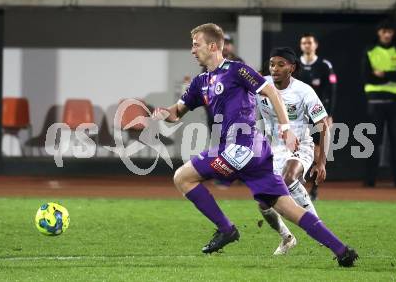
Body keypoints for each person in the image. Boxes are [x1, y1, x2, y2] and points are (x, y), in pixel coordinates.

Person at [153, 23, 358, 267]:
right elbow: (176, 113)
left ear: (212, 46)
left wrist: (285, 128)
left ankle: (227, 229)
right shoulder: (201, 82)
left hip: (242, 147)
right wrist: (154, 113)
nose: (192, 50)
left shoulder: (236, 70)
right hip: (255, 152)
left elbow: (270, 91)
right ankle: (343, 250)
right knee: (284, 206)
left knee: (182, 177)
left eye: (196, 45)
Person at [256, 47, 329, 255]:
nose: (275, 69)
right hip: (273, 149)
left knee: (288, 176)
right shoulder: (262, 87)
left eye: (281, 64)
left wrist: (321, 161)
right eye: (272, 64)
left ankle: (318, 229)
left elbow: (323, 125)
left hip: (300, 146)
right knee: (262, 201)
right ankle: (286, 238)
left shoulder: (304, 91)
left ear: (292, 68)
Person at [362, 20, 396, 188]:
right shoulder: (370, 50)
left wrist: (383, 74)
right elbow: (367, 76)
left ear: (393, 33)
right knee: (373, 142)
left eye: (390, 32)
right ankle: (369, 181)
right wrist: (393, 75)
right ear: (379, 33)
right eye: (384, 32)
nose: (387, 35)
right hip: (375, 102)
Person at [299, 33, 337, 201]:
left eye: (309, 43)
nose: (307, 45)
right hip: (298, 114)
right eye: (304, 43)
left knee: (317, 151)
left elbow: (332, 91)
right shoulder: (294, 64)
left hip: (317, 113)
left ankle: (314, 187)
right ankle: (295, 184)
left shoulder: (324, 65)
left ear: (315, 45)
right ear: (301, 46)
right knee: (295, 148)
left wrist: (329, 114)